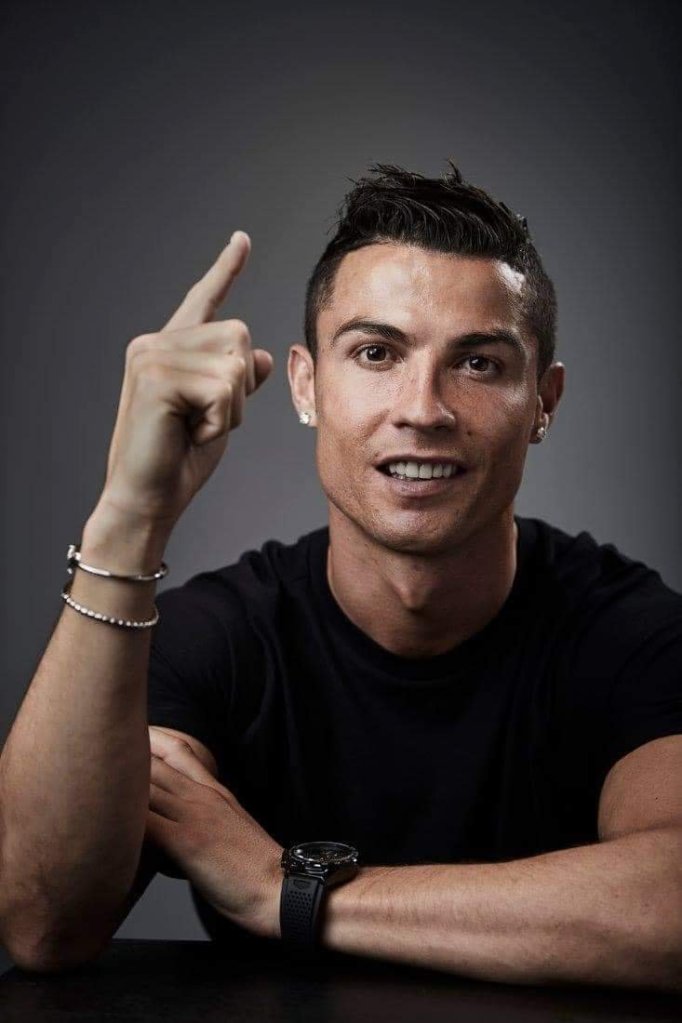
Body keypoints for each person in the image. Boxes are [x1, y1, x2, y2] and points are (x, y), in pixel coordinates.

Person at [1, 163, 681, 990]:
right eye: (375, 352)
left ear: (544, 402)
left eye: (478, 363)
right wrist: (129, 516)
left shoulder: (630, 632)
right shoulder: (218, 641)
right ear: (306, 385)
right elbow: (43, 921)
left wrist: (285, 889)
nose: (423, 408)